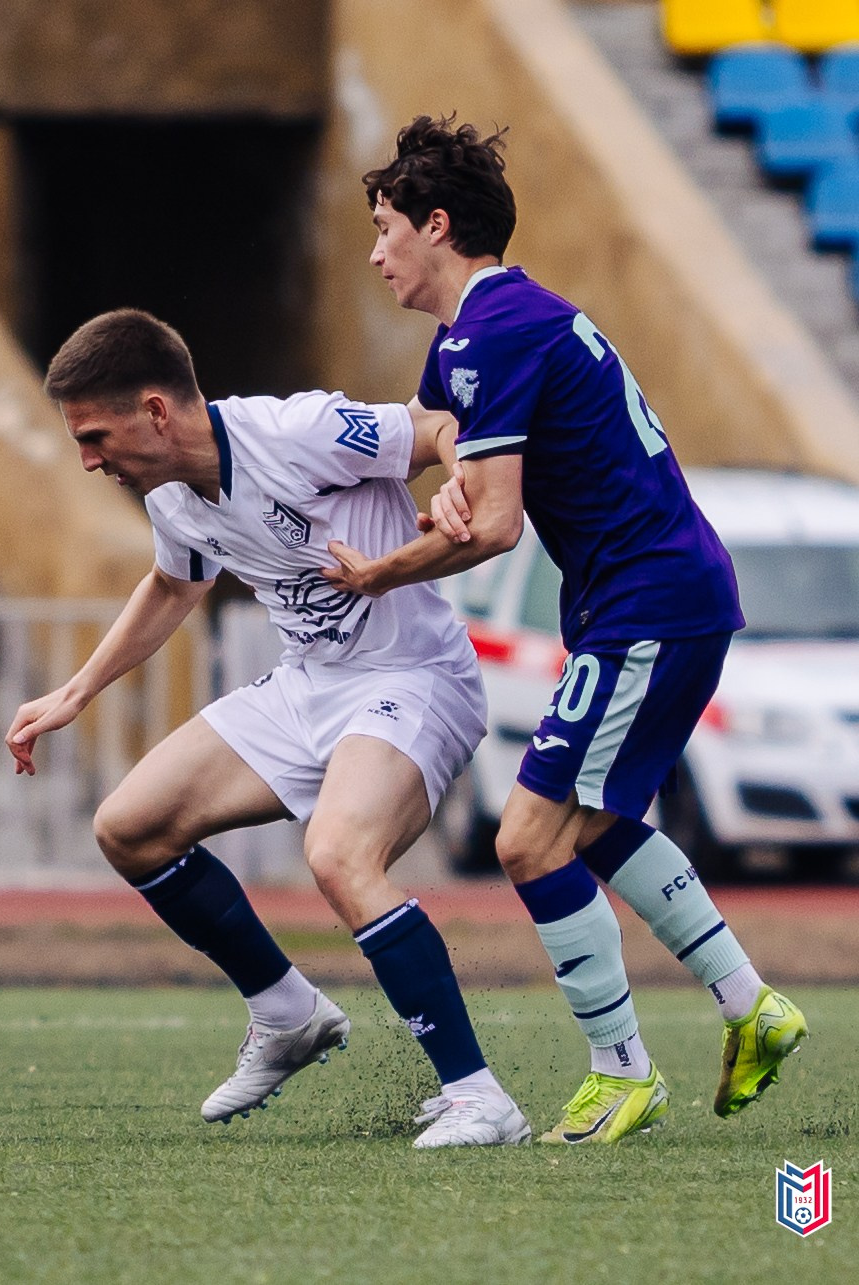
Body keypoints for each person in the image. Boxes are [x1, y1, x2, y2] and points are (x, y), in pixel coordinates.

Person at [324, 115, 806, 1143]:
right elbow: (452, 454)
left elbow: (493, 525)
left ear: (436, 225)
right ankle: (748, 1004)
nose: (373, 253)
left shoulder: (496, 330)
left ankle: (620, 1071)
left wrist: (379, 570)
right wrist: (447, 490)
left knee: (527, 837)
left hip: (647, 603)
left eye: (383, 227)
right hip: (644, 600)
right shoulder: (478, 333)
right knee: (590, 822)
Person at [8, 308, 530, 1148]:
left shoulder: (299, 430)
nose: (87, 458)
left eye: (95, 435)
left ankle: (479, 1095)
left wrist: (462, 477)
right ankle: (286, 1012)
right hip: (306, 685)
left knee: (337, 853)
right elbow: (176, 585)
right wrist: (76, 691)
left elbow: (434, 426)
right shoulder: (170, 493)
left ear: (155, 409)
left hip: (412, 676)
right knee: (129, 828)